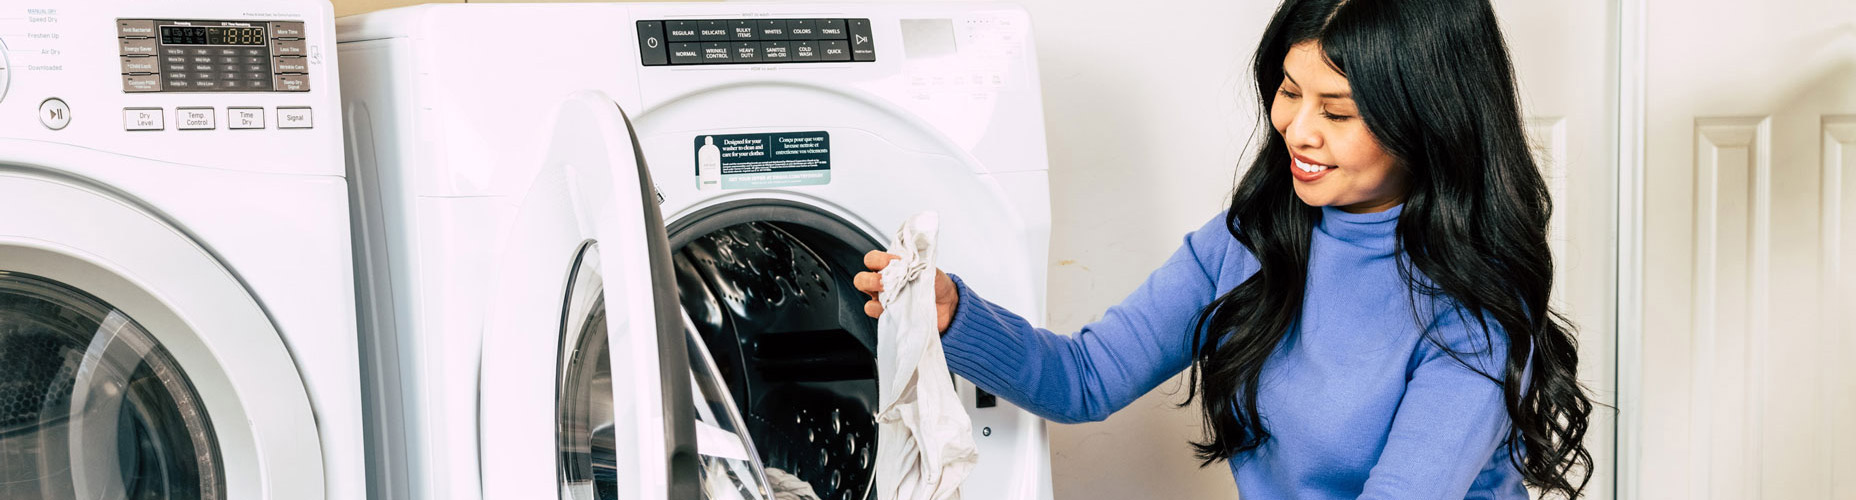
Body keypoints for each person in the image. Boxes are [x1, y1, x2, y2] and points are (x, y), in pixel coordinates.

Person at [852, 0, 1595, 497]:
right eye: (1288, 91)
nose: (1296, 130)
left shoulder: (1470, 314)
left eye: (1337, 111)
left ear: (1429, 120)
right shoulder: (1248, 243)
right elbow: (1081, 378)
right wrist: (953, 316)